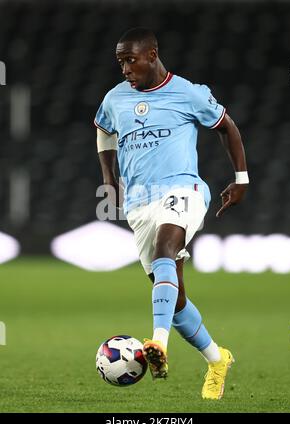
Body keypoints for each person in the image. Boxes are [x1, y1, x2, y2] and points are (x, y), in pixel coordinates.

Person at [94, 27, 248, 400]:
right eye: (120, 62)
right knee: (174, 299)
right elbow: (103, 131)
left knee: (167, 248)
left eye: (131, 60)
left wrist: (241, 178)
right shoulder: (116, 98)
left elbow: (226, 127)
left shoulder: (188, 93)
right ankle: (217, 358)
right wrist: (109, 179)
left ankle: (158, 344)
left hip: (184, 189)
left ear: (152, 55)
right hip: (140, 204)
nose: (126, 69)